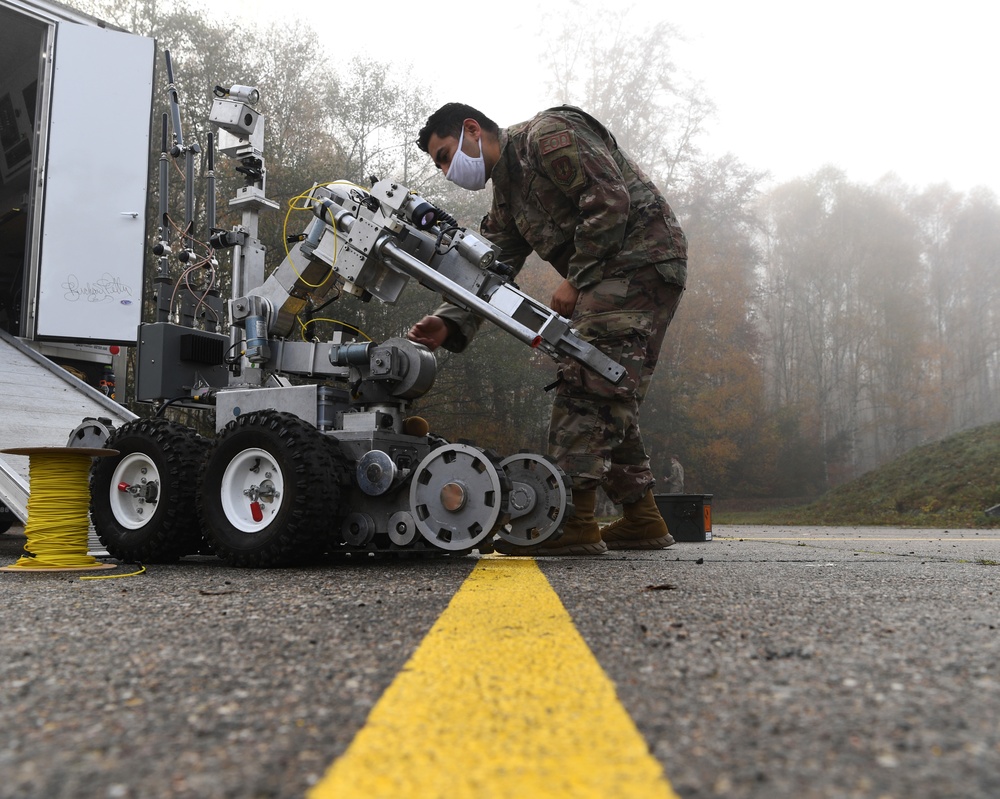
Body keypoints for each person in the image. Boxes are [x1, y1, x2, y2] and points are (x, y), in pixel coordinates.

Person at [408, 102, 687, 555]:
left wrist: (576, 277)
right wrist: (448, 320)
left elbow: (609, 199)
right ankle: (642, 517)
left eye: (444, 155)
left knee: (586, 378)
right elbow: (488, 271)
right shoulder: (507, 196)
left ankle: (572, 521)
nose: (445, 172)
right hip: (609, 271)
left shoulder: (547, 135)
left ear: (472, 130)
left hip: (641, 259)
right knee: (604, 379)